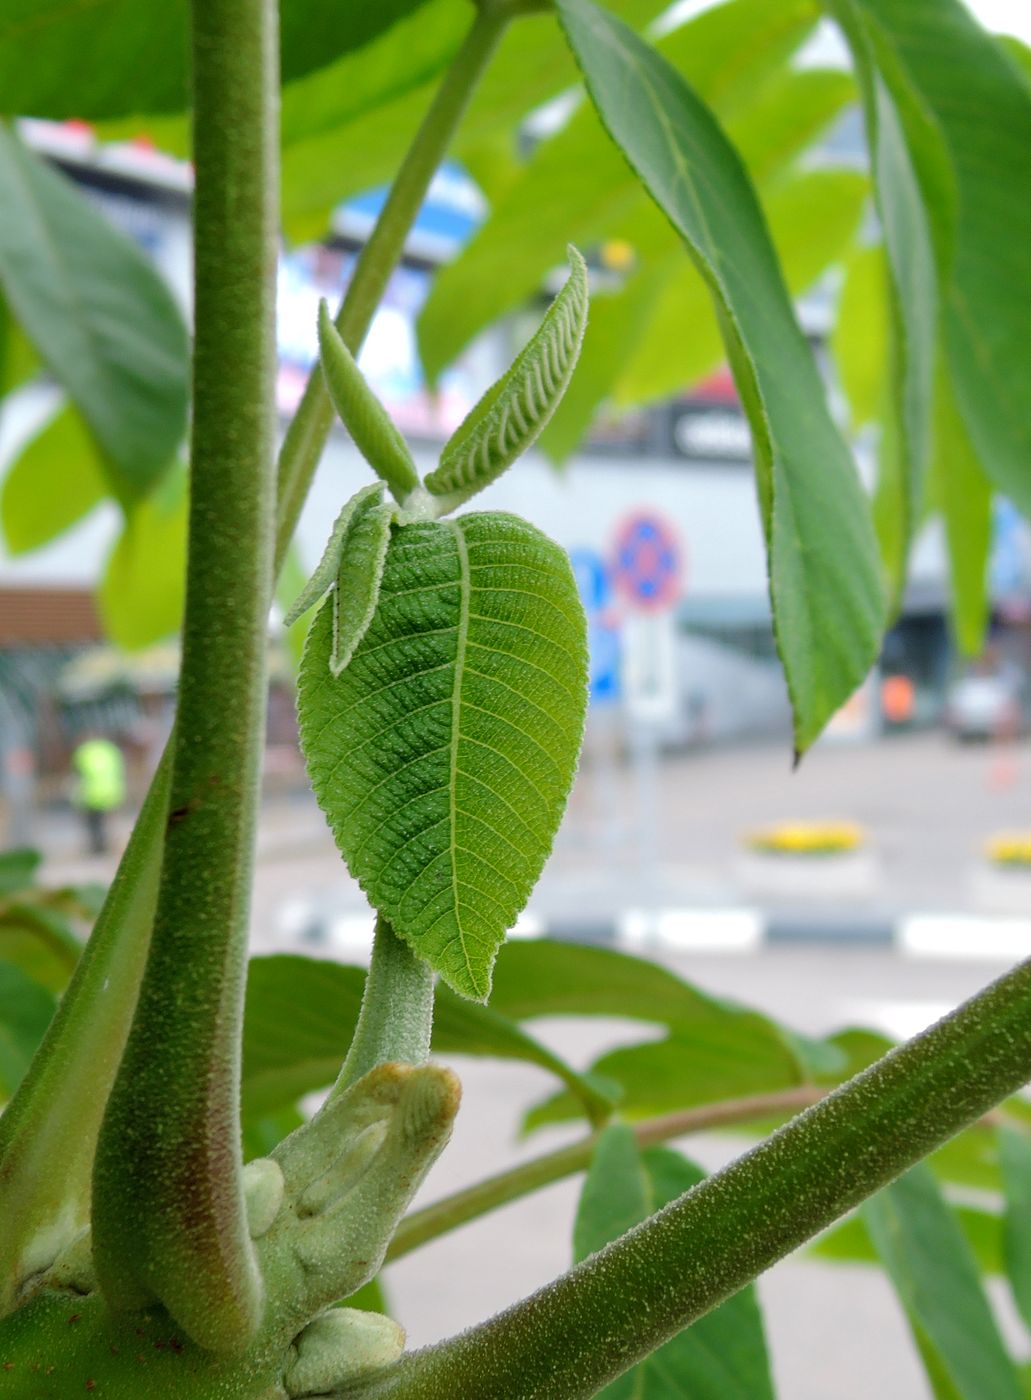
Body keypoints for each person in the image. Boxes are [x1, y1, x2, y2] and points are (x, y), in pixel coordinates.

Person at [70, 734, 126, 855]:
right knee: (110, 820)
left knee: (94, 823)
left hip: (92, 794)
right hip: (112, 791)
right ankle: (112, 845)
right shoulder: (111, 750)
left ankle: (98, 847)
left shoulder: (83, 752)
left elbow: (78, 774)